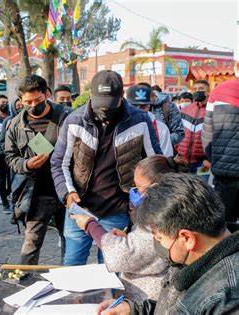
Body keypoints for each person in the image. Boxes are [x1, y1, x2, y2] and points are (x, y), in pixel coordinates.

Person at [51, 70, 162, 266]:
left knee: (113, 267)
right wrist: (68, 194)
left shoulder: (140, 120)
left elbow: (156, 163)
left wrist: (143, 198)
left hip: (117, 209)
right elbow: (59, 163)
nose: (104, 109)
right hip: (80, 208)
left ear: (121, 98)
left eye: (110, 104)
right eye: (99, 103)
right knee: (72, 264)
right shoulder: (74, 121)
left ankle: (113, 298)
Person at [97, 173, 239, 314]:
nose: (157, 245)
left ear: (187, 238)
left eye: (159, 238)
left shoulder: (227, 299)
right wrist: (133, 310)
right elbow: (172, 308)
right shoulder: (191, 258)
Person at [71, 155, 187, 302]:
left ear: (156, 187)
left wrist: (90, 225)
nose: (134, 191)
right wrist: (129, 238)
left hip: (149, 300)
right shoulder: (166, 207)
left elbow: (122, 254)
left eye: (138, 187)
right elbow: (145, 245)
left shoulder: (162, 218)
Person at [5, 75, 71, 265]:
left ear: (47, 94)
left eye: (38, 100)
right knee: (32, 242)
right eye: (28, 102)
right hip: (37, 192)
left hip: (68, 189)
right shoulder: (15, 125)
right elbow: (10, 157)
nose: (33, 105)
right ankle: (26, 280)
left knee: (70, 240)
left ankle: (70, 283)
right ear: (20, 101)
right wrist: (26, 165)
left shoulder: (68, 117)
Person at [202, 79, 239, 233]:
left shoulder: (220, 90)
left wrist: (215, 159)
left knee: (224, 224)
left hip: (225, 172)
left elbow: (207, 134)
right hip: (225, 169)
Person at [126, 85, 173, 156]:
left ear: (149, 106)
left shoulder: (161, 129)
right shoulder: (119, 125)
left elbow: (165, 158)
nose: (138, 110)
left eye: (143, 107)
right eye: (134, 106)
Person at [176, 80, 210, 177]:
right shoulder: (185, 110)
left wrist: (210, 160)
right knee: (183, 190)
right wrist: (177, 153)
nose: (197, 91)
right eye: (195, 89)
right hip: (182, 161)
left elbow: (219, 138)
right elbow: (177, 132)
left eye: (201, 89)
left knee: (201, 189)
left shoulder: (213, 110)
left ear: (208, 91)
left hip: (203, 163)